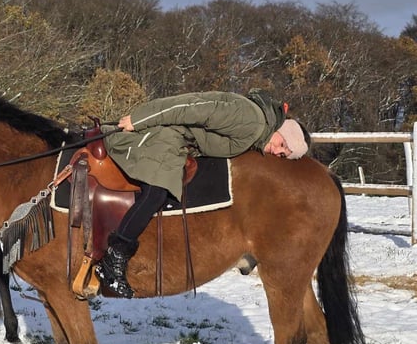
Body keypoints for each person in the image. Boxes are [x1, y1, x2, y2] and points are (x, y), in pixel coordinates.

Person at [95, 89, 310, 298]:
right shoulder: (251, 120)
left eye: (283, 155)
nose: (277, 151)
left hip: (177, 143)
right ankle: (114, 258)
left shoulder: (257, 132)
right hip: (163, 138)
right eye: (282, 145)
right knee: (157, 192)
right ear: (281, 130)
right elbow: (192, 106)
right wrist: (140, 118)